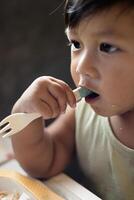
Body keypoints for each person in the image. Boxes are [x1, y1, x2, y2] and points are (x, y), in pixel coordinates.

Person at [11, 0, 134, 199]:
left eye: (107, 47)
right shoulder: (82, 110)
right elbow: (44, 163)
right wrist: (26, 114)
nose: (81, 67)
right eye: (76, 44)